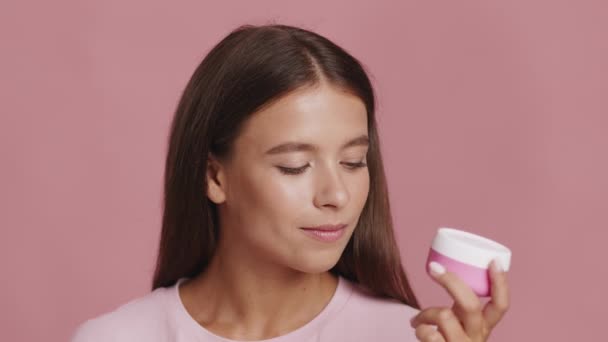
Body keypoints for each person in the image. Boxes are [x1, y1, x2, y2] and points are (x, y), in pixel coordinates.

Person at [71, 23, 509, 342]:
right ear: (213, 176)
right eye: (296, 167)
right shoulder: (114, 338)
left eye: (354, 162)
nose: (337, 195)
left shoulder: (409, 336)